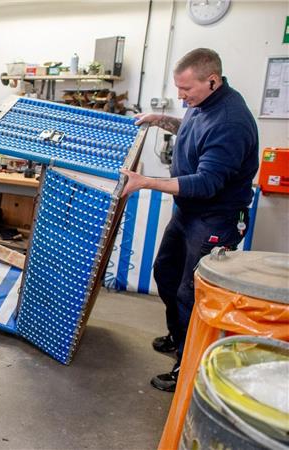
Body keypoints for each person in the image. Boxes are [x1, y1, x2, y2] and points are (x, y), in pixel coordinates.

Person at [121, 48, 259, 392]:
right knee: (165, 274)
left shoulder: (231, 121)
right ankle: (177, 335)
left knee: (191, 294)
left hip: (216, 219)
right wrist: (158, 119)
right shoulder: (204, 106)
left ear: (212, 81)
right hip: (189, 212)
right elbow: (192, 130)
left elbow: (207, 182)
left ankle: (188, 365)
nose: (181, 97)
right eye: (178, 89)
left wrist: (147, 182)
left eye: (186, 90)